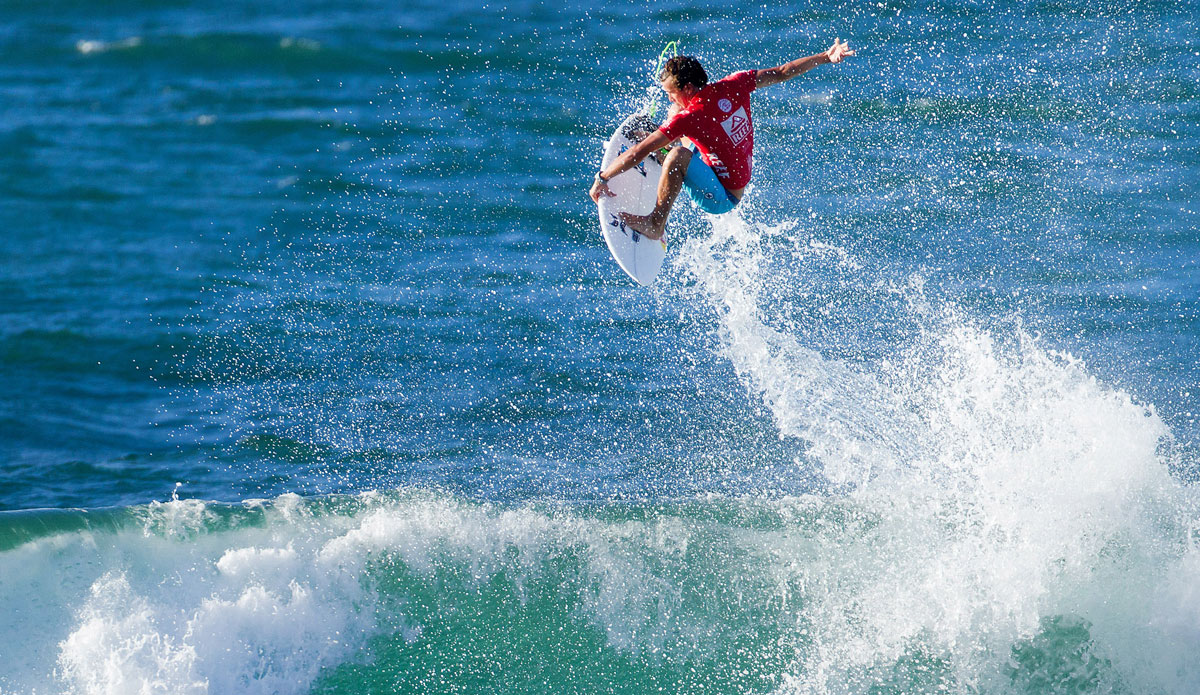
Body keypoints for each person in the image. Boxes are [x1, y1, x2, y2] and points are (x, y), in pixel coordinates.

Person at [589, 39, 855, 240]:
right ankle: (664, 152)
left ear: (688, 87)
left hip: (723, 196)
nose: (668, 97)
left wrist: (603, 178)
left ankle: (656, 223)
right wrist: (825, 56)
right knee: (675, 113)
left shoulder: (692, 116)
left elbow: (636, 152)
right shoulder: (735, 83)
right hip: (716, 167)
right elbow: (783, 71)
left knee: (677, 153)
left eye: (671, 92)